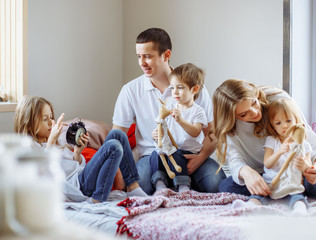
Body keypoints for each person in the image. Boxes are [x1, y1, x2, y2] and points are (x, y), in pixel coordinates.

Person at [112, 28, 225, 194]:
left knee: (216, 184)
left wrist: (199, 159)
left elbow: (212, 133)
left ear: (166, 55)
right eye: (139, 56)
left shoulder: (193, 87)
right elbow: (117, 136)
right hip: (153, 156)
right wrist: (120, 174)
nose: (141, 62)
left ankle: (182, 183)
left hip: (190, 154)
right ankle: (174, 183)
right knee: (142, 185)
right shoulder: (130, 90)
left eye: (148, 56)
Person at [213, 79, 316, 199]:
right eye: (244, 114)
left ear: (255, 95)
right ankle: (285, 190)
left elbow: (311, 142)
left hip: (297, 170)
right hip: (267, 174)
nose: (255, 112)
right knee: (226, 187)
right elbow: (235, 160)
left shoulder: (278, 101)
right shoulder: (230, 127)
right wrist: (247, 173)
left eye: (254, 103)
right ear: (232, 117)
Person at [14, 95, 148, 203]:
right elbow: (43, 174)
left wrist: (77, 153)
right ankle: (98, 198)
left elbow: (75, 165)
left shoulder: (58, 141)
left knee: (117, 135)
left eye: (51, 117)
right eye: (45, 119)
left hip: (83, 176)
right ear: (29, 124)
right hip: (76, 187)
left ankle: (132, 186)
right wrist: (50, 142)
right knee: (114, 147)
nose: (51, 122)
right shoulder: (30, 147)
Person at [243, 98, 312, 215]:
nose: (284, 126)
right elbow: (268, 163)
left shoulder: (303, 144)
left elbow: (309, 166)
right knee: (258, 195)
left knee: (298, 195)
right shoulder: (272, 140)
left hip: (291, 182)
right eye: (278, 123)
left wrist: (305, 166)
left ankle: (299, 210)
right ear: (272, 125)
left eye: (289, 121)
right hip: (272, 181)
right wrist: (279, 151)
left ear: (296, 120)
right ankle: (249, 207)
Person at [150, 63, 208, 193]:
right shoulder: (170, 104)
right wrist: (156, 134)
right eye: (172, 88)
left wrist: (180, 121)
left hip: (188, 153)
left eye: (180, 88)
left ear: (194, 89)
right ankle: (160, 184)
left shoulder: (198, 111)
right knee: (155, 154)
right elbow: (162, 125)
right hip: (170, 149)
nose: (174, 92)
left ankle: (183, 185)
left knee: (174, 153)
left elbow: (196, 132)